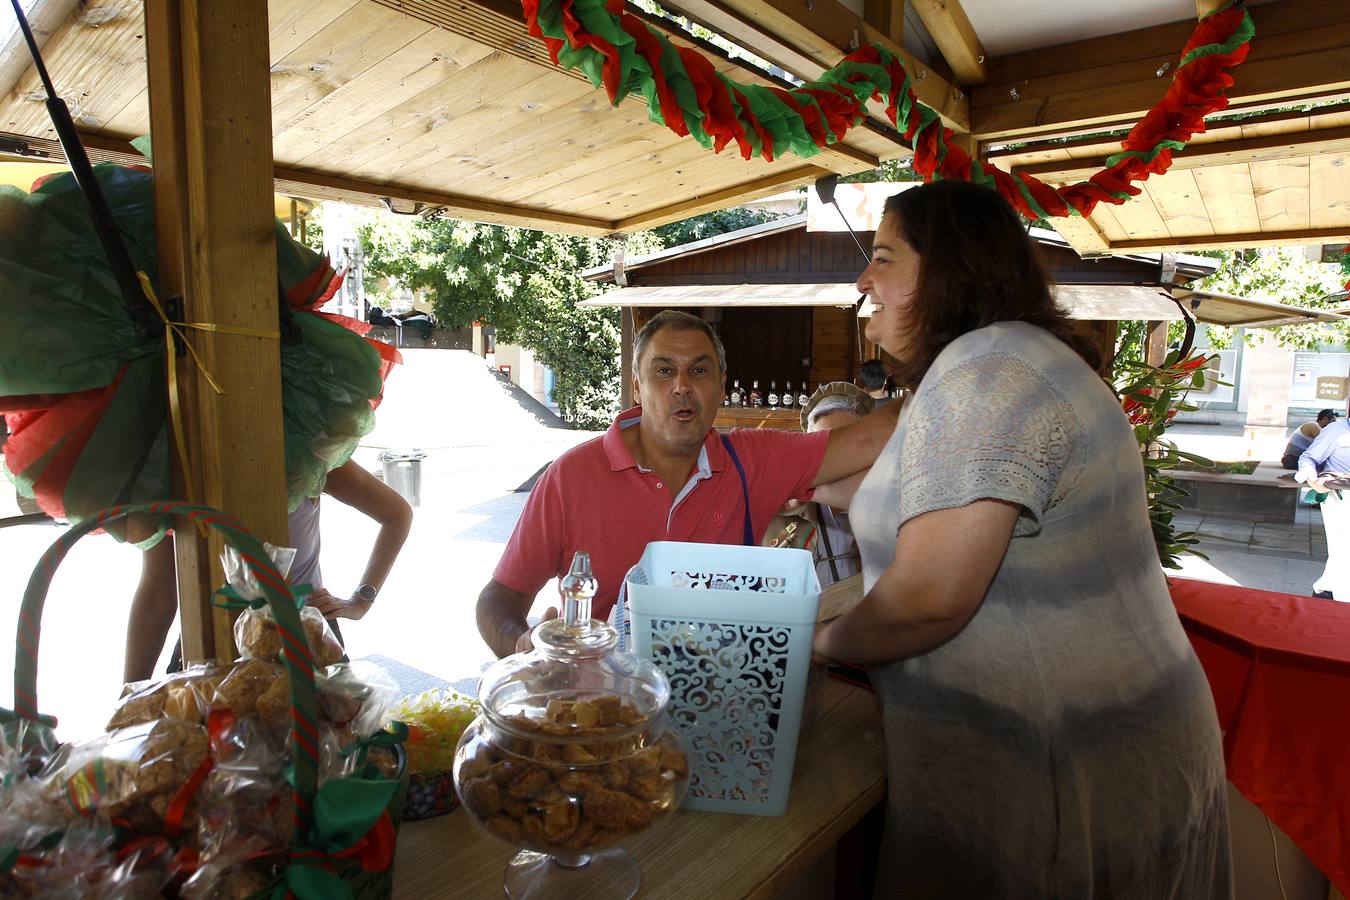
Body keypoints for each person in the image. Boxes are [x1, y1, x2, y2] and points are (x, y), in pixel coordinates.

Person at [811, 181, 1230, 897]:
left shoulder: (989, 369)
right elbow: (896, 496)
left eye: (882, 258)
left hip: (1072, 763)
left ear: (945, 266)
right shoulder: (997, 362)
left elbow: (929, 598)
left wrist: (810, 644)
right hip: (1099, 748)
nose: (862, 279)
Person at [476, 310, 902, 658]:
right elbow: (499, 598)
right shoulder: (570, 478)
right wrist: (523, 645)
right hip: (604, 708)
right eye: (664, 371)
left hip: (719, 699)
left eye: (699, 370)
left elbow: (865, 437)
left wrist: (944, 364)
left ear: (722, 384)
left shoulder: (751, 460)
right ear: (638, 387)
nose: (682, 386)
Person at [124, 458, 413, 682]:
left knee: (320, 753)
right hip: (211, 642)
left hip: (307, 637)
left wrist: (360, 600)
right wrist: (129, 699)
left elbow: (397, 514)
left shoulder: (303, 449)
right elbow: (157, 595)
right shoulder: (179, 462)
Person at [800, 382, 876, 585]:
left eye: (849, 444)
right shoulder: (787, 512)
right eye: (822, 443)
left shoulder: (888, 511)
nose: (836, 456)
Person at [1296, 412, 1350, 601]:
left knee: (1342, 554)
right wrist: (1312, 478)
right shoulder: (1336, 430)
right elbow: (1308, 458)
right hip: (1341, 498)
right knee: (1344, 552)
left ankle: (1323, 591)